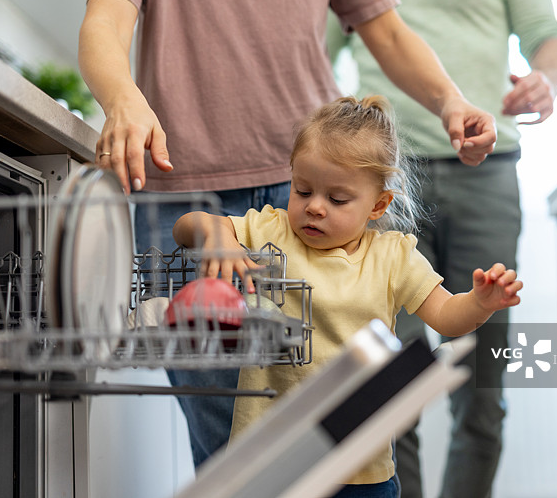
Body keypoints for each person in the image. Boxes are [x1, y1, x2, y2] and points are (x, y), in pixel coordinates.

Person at [78, 0, 498, 469]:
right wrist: (122, 97)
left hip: (304, 184)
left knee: (334, 428)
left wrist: (449, 100)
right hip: (189, 191)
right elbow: (106, 18)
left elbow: (386, 32)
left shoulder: (354, 225)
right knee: (228, 452)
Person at [173, 95, 523, 497]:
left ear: (378, 205)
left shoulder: (393, 256)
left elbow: (447, 316)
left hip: (360, 467)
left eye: (337, 199)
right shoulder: (272, 230)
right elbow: (186, 225)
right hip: (270, 463)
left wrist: (479, 303)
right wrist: (216, 234)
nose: (315, 207)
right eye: (302, 190)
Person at [327, 0, 557, 496]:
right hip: (383, 180)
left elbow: (545, 36)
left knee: (482, 384)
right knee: (393, 381)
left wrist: (545, 80)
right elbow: (314, 51)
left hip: (487, 173)